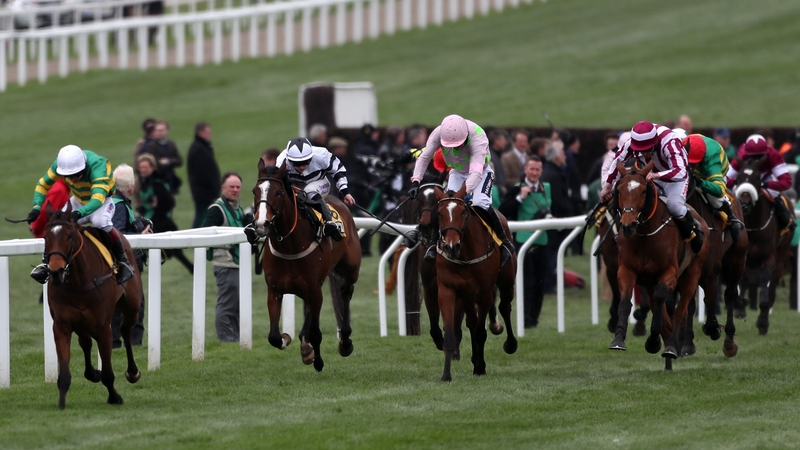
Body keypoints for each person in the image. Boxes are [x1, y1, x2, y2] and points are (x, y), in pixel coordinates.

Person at [405, 114, 514, 266]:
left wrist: (461, 194)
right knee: (446, 205)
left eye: (458, 144)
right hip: (457, 172)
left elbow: (475, 173)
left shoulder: (478, 136)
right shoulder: (438, 133)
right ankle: (433, 244)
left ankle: (505, 243)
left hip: (481, 172)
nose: (455, 148)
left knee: (480, 203)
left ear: (465, 136)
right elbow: (424, 157)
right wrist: (416, 181)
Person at [28, 145, 134, 284]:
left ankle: (123, 261)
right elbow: (42, 185)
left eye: (76, 175)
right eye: (68, 176)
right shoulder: (59, 164)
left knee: (101, 223)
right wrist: (37, 207)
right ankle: (45, 264)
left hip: (101, 202)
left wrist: (79, 213)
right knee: (57, 226)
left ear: (84, 167)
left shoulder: (98, 166)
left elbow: (97, 199)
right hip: (78, 200)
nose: (73, 179)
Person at [601, 121, 704, 253]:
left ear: (655, 142)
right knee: (637, 200)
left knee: (675, 207)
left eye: (647, 150)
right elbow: (617, 161)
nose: (644, 154)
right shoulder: (631, 143)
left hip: (675, 178)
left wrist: (657, 175)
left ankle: (693, 227)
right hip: (652, 175)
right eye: (641, 151)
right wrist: (608, 186)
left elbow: (681, 171)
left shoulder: (670, 142)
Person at [248, 137, 356, 243]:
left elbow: (338, 170)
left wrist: (345, 192)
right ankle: (259, 224)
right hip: (295, 186)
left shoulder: (321, 155)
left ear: (311, 157)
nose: (301, 167)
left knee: (309, 190)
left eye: (305, 162)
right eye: (297, 163)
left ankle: (329, 222)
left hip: (320, 183)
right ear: (289, 159)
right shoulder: (282, 160)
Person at [499, 156, 551, 328]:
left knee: (540, 283)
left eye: (537, 169)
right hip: (522, 241)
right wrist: (520, 198)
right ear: (525, 170)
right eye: (532, 169)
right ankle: (525, 318)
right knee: (527, 282)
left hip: (542, 240)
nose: (534, 173)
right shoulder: (516, 188)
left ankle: (534, 319)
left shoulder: (547, 188)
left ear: (541, 171)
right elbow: (503, 211)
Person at [202, 172, 248, 343]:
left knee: (236, 305)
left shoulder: (237, 207)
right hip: (225, 263)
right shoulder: (217, 209)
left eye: (238, 187)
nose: (235, 190)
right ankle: (226, 339)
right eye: (231, 187)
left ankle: (234, 338)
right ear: (223, 188)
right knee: (227, 304)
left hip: (237, 263)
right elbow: (203, 233)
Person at [110, 164, 150, 348]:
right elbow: (118, 233)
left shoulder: (115, 201)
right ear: (130, 186)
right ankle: (131, 342)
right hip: (124, 263)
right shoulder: (119, 205)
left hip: (117, 263)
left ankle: (118, 342)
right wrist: (140, 236)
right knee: (134, 303)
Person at [726, 134, 796, 234]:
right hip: (744, 179)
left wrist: (766, 185)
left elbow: (787, 182)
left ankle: (785, 218)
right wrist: (736, 182)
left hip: (765, 179)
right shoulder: (740, 156)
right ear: (746, 153)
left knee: (774, 193)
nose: (757, 160)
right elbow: (724, 180)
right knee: (731, 194)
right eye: (753, 156)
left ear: (766, 152)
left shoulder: (774, 156)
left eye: (760, 156)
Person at [136, 153, 194, 274]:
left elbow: (169, 202)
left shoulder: (158, 183)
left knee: (160, 249)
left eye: (145, 167)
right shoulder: (143, 181)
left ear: (152, 167)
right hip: (151, 220)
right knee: (162, 250)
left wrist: (157, 203)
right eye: (141, 167)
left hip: (160, 221)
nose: (143, 170)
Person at [683, 133, 744, 242]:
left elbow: (719, 190)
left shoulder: (712, 159)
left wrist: (701, 183)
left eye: (693, 164)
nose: (691, 166)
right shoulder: (681, 147)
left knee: (715, 199)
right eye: (689, 163)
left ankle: (731, 217)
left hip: (714, 172)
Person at [187, 122, 221, 228]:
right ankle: (195, 235)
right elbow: (203, 173)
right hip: (205, 193)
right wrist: (213, 188)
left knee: (203, 215)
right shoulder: (199, 149)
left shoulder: (201, 147)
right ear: (200, 132)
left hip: (203, 192)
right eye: (208, 132)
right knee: (202, 216)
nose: (210, 135)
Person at [140, 120, 183, 194]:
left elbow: (179, 161)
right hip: (157, 179)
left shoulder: (171, 144)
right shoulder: (151, 146)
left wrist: (168, 161)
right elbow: (151, 162)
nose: (159, 132)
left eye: (161, 130)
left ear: (167, 131)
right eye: (157, 130)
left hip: (170, 177)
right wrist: (163, 163)